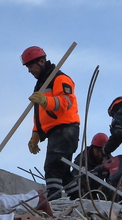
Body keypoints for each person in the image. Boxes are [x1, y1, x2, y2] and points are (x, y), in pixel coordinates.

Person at [21, 46, 80, 200]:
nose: (29, 71)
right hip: (56, 131)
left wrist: (46, 100)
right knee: (63, 170)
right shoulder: (42, 83)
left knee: (52, 167)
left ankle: (54, 203)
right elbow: (40, 114)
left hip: (65, 129)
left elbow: (65, 102)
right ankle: (78, 199)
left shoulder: (59, 78)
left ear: (41, 62)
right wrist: (36, 133)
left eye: (30, 66)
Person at [65, 132, 108, 198]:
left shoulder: (108, 160)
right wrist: (85, 199)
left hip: (98, 194)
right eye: (98, 150)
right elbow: (79, 182)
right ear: (92, 148)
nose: (100, 154)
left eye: (102, 151)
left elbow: (112, 180)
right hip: (83, 193)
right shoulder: (82, 160)